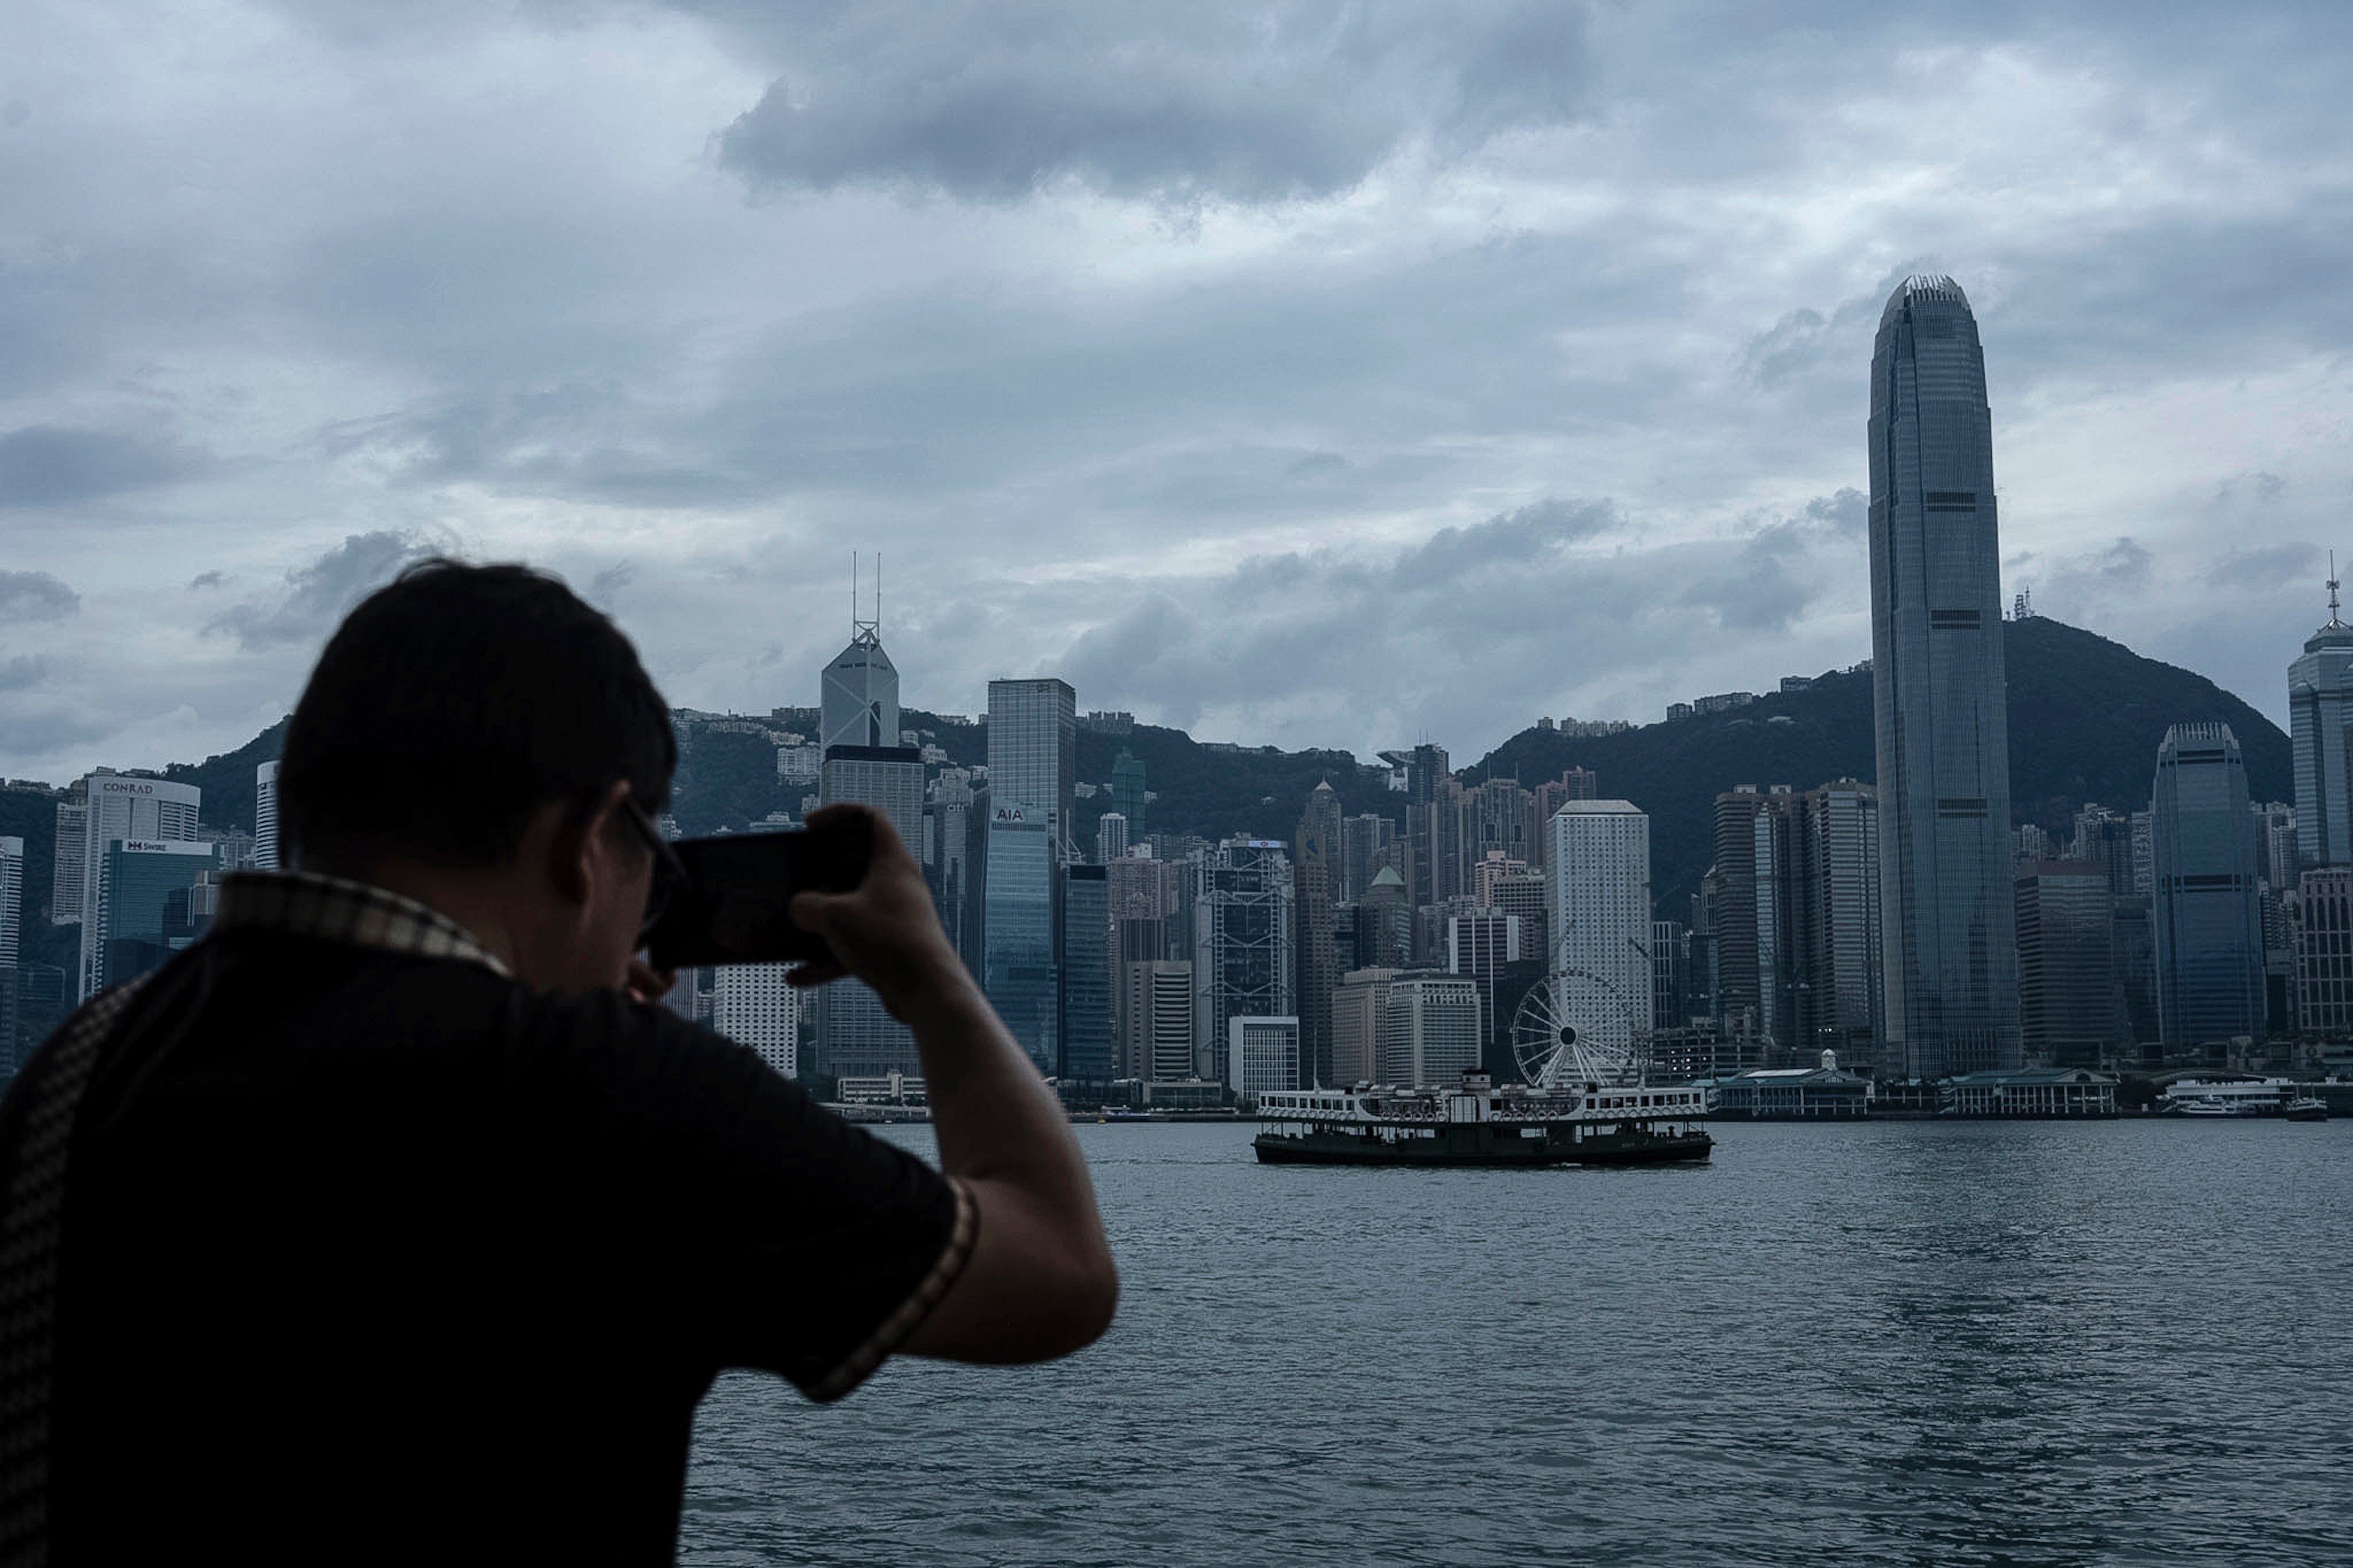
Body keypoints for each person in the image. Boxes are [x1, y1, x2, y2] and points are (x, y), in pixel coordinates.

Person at [0, 560, 1116, 1563]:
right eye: (655, 865)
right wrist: (927, 976)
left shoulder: (78, 1065)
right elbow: (1058, 1274)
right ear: (590, 842)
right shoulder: (606, 1098)